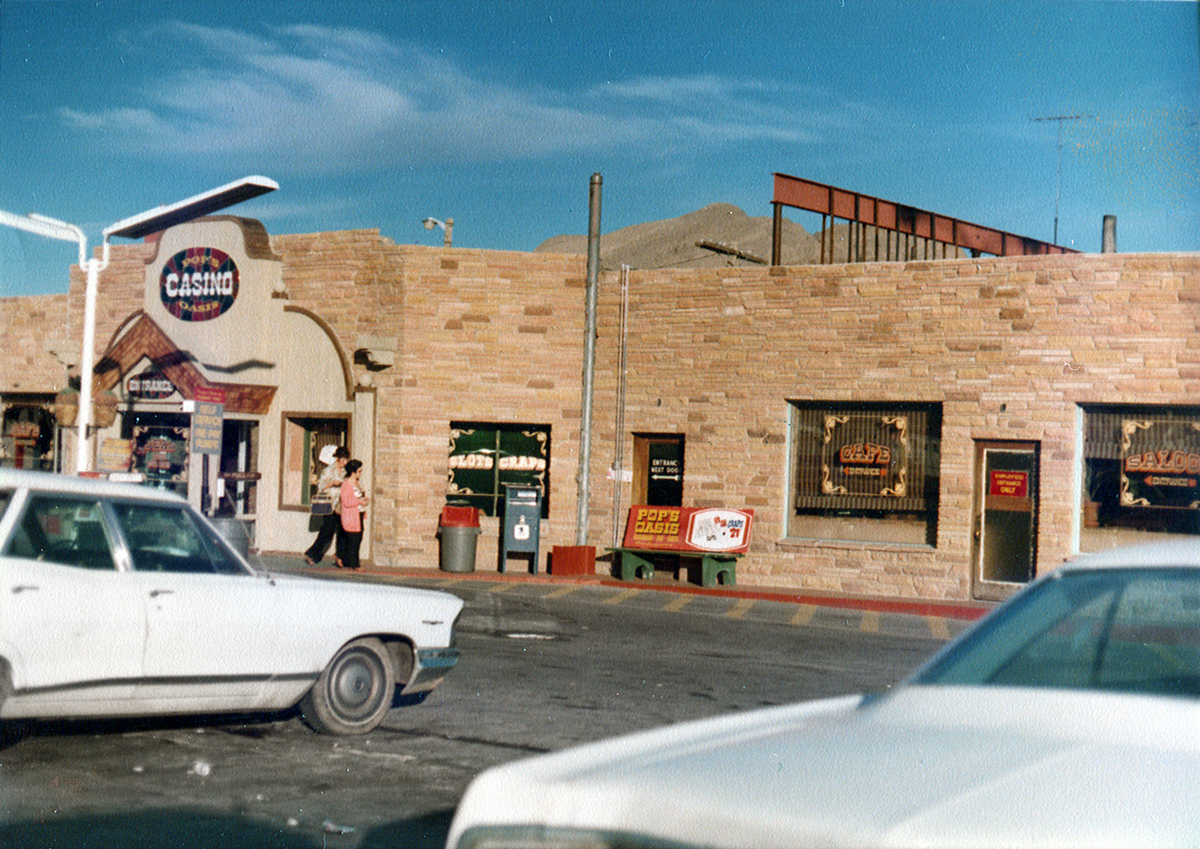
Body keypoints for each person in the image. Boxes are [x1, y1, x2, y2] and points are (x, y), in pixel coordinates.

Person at [303, 445, 349, 566]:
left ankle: (340, 556)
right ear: (337, 458)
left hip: (341, 504)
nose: (344, 462)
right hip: (330, 504)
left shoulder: (345, 472)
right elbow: (321, 487)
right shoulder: (328, 470)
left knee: (343, 531)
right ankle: (312, 554)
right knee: (327, 531)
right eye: (343, 460)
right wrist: (332, 483)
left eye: (346, 460)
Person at [336, 459, 369, 571]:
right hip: (351, 515)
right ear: (353, 472)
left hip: (359, 514)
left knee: (357, 538)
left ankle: (345, 559)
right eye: (359, 471)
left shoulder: (357, 483)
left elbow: (358, 497)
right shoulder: (346, 484)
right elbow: (346, 501)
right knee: (354, 539)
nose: (360, 473)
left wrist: (364, 500)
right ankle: (354, 563)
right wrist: (360, 501)